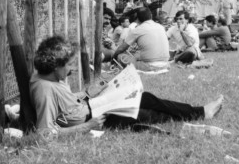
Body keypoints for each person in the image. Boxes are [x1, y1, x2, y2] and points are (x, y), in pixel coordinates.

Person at [30, 35, 224, 135]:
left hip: (92, 106)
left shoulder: (51, 76)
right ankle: (200, 113)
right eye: (69, 65)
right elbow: (44, 134)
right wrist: (86, 127)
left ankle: (200, 112)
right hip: (93, 116)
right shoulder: (44, 90)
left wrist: (88, 93)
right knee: (145, 113)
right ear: (55, 66)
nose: (72, 70)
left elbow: (66, 104)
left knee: (145, 98)